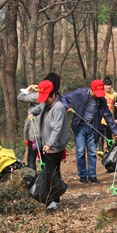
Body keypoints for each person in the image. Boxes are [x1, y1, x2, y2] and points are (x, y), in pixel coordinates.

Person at [61, 79, 117, 184]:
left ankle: (92, 175)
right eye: (95, 93)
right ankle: (82, 175)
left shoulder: (101, 100)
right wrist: (67, 107)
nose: (97, 95)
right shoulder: (80, 93)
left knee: (92, 152)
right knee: (80, 151)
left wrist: (116, 131)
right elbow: (64, 97)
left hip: (94, 126)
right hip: (80, 126)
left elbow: (108, 116)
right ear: (90, 89)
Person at [29, 79, 69, 210]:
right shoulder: (45, 105)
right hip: (46, 145)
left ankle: (55, 200)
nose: (44, 100)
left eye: (47, 97)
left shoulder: (58, 108)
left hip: (54, 147)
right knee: (48, 172)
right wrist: (31, 113)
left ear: (53, 94)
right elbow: (37, 108)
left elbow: (57, 128)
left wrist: (50, 144)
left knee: (53, 173)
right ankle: (49, 198)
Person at [17, 84, 41, 170]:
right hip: (46, 136)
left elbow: (20, 97)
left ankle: (32, 179)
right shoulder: (54, 99)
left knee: (31, 159)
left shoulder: (37, 97)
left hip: (34, 136)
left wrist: (30, 87)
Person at [100, 77, 117, 153]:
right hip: (101, 118)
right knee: (101, 134)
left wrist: (116, 117)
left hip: (110, 118)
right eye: (106, 85)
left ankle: (109, 149)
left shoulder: (114, 94)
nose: (108, 87)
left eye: (109, 85)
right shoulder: (101, 94)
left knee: (109, 134)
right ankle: (101, 150)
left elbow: (116, 107)